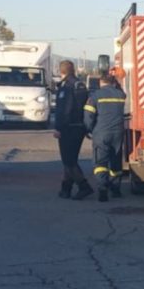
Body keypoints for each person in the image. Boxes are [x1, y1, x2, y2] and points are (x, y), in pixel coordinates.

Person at [84, 72, 127, 202]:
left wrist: (89, 130)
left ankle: (102, 189)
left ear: (100, 83)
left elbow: (88, 116)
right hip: (118, 133)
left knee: (100, 163)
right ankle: (116, 189)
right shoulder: (121, 95)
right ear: (114, 82)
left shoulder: (95, 96)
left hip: (101, 133)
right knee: (116, 161)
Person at [54, 60, 93, 200]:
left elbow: (64, 110)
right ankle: (66, 189)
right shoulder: (80, 84)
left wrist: (59, 128)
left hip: (68, 129)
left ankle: (84, 186)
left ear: (61, 71)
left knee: (69, 161)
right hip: (79, 128)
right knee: (71, 159)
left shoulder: (67, 87)